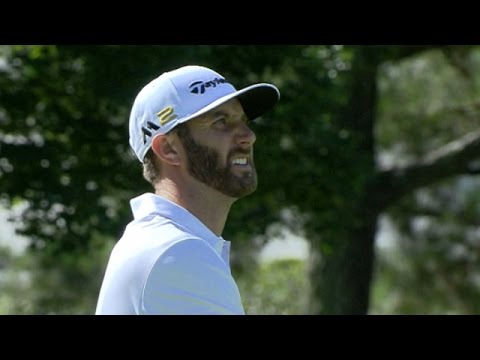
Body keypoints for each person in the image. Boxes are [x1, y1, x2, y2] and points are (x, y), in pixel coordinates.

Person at [95, 65, 280, 315]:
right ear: (169, 149)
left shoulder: (164, 243)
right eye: (221, 122)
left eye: (244, 121)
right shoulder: (177, 252)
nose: (248, 136)